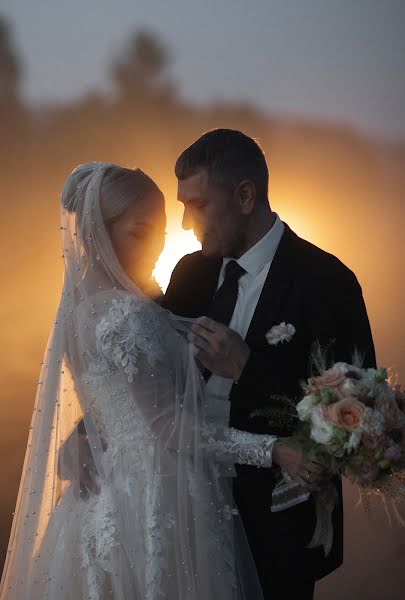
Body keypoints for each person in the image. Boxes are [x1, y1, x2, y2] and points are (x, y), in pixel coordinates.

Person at [0, 162, 283, 600]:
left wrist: (86, 435)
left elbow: (118, 396)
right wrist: (273, 449)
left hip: (107, 494)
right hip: (156, 494)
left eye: (161, 235)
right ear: (97, 231)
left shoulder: (79, 313)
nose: (154, 247)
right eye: (139, 232)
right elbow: (164, 422)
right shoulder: (126, 313)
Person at [162, 128, 376, 599]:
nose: (184, 224)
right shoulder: (189, 271)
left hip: (276, 530)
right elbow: (149, 366)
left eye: (196, 206)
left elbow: (355, 421)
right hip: (187, 513)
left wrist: (247, 369)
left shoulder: (327, 282)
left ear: (244, 196)